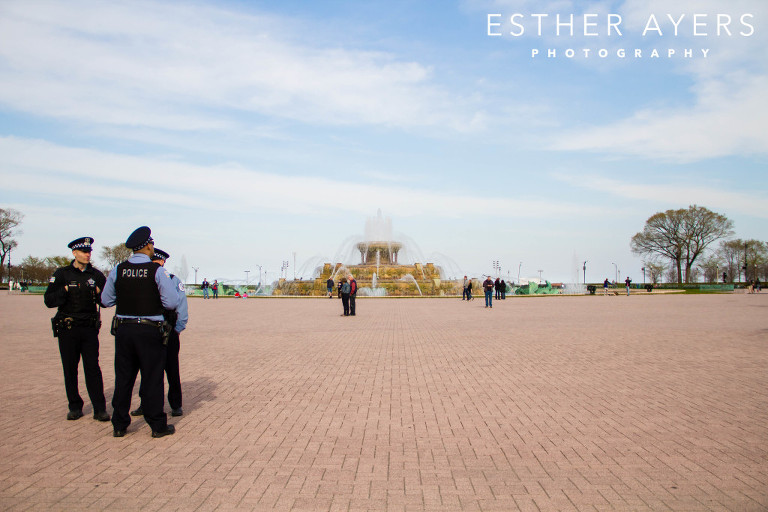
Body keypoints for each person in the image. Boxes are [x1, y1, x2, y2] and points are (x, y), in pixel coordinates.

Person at [101, 226, 180, 438]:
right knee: (152, 377)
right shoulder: (157, 271)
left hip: (124, 330)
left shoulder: (118, 270)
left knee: (124, 378)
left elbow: (106, 300)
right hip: (149, 330)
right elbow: (171, 303)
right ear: (147, 246)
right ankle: (157, 426)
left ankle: (119, 424)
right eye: (152, 244)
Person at [44, 237, 110, 422]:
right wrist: (64, 290)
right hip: (68, 328)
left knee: (93, 368)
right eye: (83, 251)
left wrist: (99, 293)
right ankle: (74, 406)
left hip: (89, 329)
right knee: (70, 369)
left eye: (89, 251)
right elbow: (49, 300)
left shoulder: (96, 275)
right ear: (74, 253)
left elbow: (106, 302)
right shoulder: (62, 274)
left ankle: (99, 408)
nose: (87, 254)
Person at [130, 248, 188, 419]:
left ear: (162, 262)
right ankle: (145, 403)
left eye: (157, 262)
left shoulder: (172, 280)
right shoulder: (144, 278)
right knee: (147, 370)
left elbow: (182, 308)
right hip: (148, 331)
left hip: (168, 330)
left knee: (171, 369)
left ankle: (176, 404)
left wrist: (177, 329)